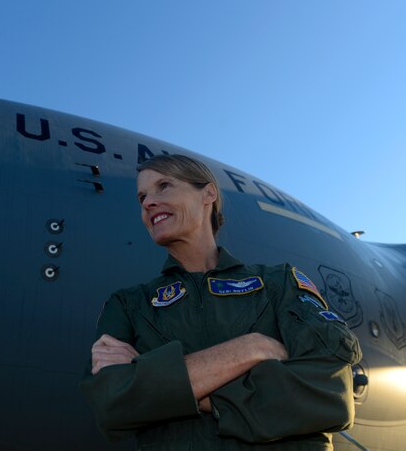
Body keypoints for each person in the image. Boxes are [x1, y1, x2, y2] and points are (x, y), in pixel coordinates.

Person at [79, 154, 361, 450]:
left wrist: (159, 389)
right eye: (142, 197)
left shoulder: (279, 283)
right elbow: (110, 402)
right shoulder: (130, 305)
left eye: (164, 186)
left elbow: (329, 392)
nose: (148, 202)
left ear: (208, 194)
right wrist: (249, 348)